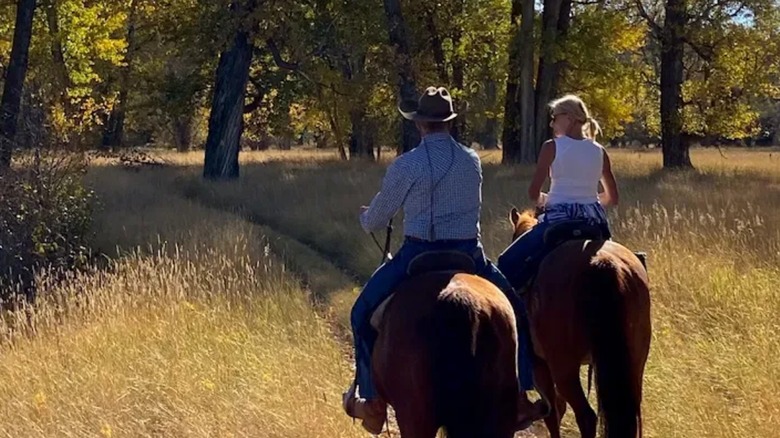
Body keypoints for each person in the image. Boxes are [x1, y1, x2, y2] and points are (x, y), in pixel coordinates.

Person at [342, 86, 545, 434]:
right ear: (449, 123)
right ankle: (521, 395)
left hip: (417, 254)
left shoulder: (407, 165)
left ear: (420, 124)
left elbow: (376, 220)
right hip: (468, 253)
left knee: (360, 313)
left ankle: (372, 402)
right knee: (518, 314)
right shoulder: (471, 160)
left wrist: (367, 218)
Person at [497, 94, 619, 290]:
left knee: (505, 262)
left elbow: (533, 192)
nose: (552, 124)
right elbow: (612, 198)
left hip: (558, 221)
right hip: (594, 223)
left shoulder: (551, 147)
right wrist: (586, 203)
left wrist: (544, 200)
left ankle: (516, 316)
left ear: (569, 118)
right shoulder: (599, 151)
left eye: (554, 118)